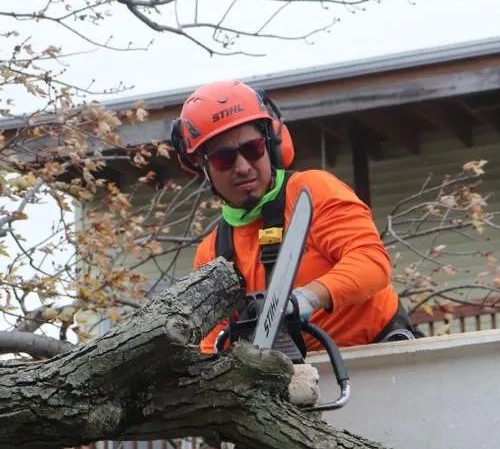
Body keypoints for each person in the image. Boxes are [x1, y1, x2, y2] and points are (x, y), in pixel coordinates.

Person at [170, 79, 419, 354]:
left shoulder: (311, 193)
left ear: (271, 144)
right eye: (224, 159)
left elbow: (371, 263)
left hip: (379, 353)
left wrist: (308, 298)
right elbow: (211, 341)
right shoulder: (213, 252)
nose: (242, 167)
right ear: (202, 166)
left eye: (252, 149)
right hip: (293, 377)